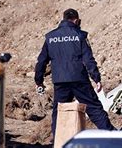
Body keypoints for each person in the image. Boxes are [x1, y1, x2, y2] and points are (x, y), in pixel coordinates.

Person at [34, 8, 114, 136]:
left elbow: (41, 61)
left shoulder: (50, 37)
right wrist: (96, 78)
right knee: (94, 108)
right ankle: (112, 136)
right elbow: (88, 59)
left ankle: (58, 141)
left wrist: (39, 81)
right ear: (76, 20)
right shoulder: (80, 35)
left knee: (59, 112)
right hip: (79, 79)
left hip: (60, 81)